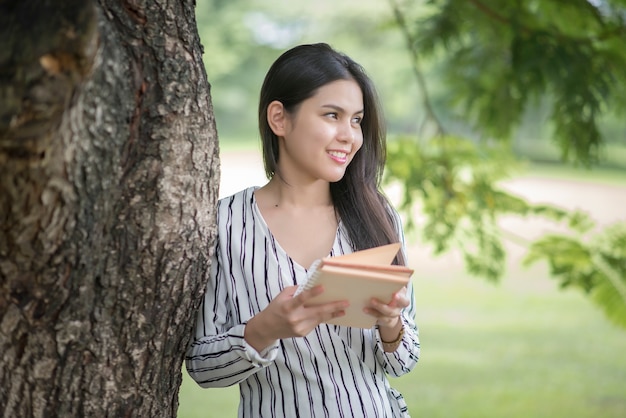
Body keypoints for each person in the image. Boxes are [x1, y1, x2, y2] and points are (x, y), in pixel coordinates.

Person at [186, 43, 420, 417]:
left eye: (357, 120)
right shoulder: (224, 224)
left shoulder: (378, 215)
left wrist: (390, 323)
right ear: (279, 118)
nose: (350, 136)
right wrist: (264, 329)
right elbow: (202, 367)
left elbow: (404, 361)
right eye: (332, 115)